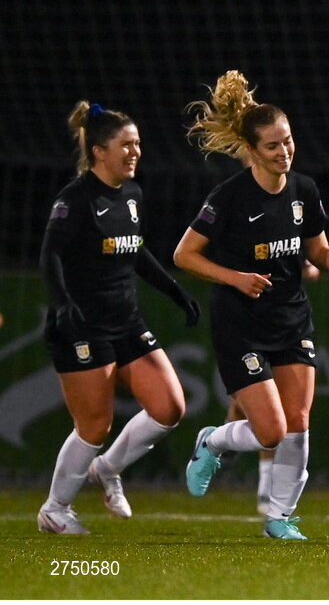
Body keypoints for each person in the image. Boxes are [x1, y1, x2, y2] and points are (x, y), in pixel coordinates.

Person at [174, 71, 329, 540]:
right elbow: (184, 256)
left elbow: (317, 252)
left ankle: (279, 517)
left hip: (291, 316)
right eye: (273, 146)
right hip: (241, 324)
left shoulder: (304, 190)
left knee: (298, 422)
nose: (284, 152)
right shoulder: (229, 197)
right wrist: (235, 277)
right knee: (271, 431)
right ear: (253, 151)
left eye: (288, 141)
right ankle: (212, 440)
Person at [37, 101, 200, 535]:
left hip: (126, 321)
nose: (135, 152)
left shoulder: (132, 195)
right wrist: (61, 302)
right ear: (98, 152)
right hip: (82, 326)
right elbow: (50, 253)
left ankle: (107, 469)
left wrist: (175, 291)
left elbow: (136, 250)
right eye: (126, 145)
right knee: (94, 425)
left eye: (138, 144)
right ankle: (55, 510)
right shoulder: (75, 199)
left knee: (169, 407)